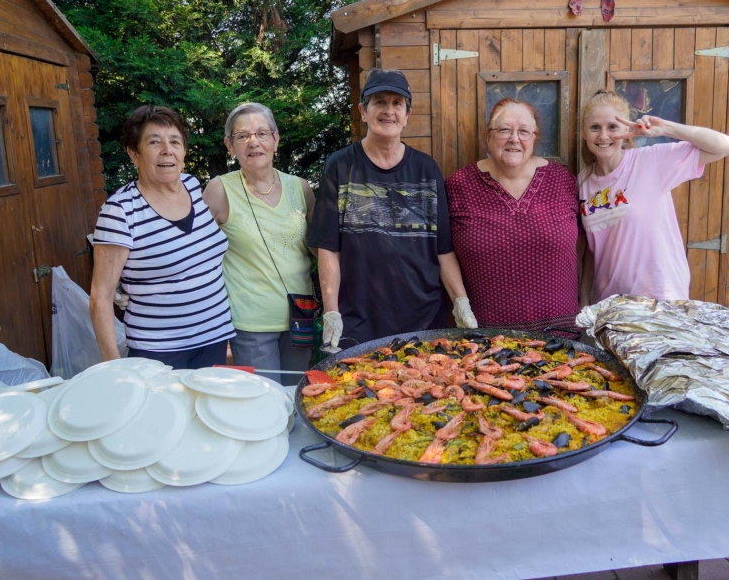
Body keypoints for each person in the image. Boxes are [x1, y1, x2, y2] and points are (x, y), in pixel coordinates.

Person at [308, 68, 477, 350]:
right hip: (359, 323)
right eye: (380, 102)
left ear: (407, 115)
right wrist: (332, 312)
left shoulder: (426, 169)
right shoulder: (340, 166)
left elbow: (443, 250)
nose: (389, 111)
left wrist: (461, 303)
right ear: (363, 111)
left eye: (397, 103)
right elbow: (328, 248)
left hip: (424, 321)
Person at [90, 106, 235, 369]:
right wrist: (113, 368)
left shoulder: (192, 186)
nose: (167, 150)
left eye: (175, 141)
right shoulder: (120, 210)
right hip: (159, 350)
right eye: (154, 142)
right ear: (134, 154)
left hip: (214, 337)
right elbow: (101, 296)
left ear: (183, 151)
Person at [577, 90, 729, 304]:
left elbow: (726, 145)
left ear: (627, 129)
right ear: (584, 132)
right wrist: (584, 297)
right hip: (612, 306)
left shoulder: (650, 161)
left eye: (612, 127)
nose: (603, 136)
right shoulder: (583, 182)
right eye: (595, 127)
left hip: (661, 300)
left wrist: (667, 128)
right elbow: (592, 246)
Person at [203, 103, 316, 385]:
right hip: (250, 323)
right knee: (263, 403)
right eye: (242, 136)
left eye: (262, 133)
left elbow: (319, 248)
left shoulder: (300, 187)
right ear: (230, 146)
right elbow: (197, 251)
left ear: (275, 139)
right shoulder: (219, 189)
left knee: (295, 394)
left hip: (301, 314)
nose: (254, 142)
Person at [445, 98, 581, 331]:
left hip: (561, 335)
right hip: (487, 339)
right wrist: (460, 302)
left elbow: (584, 245)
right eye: (504, 130)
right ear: (488, 136)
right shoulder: (459, 185)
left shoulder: (563, 181)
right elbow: (442, 250)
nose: (514, 139)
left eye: (524, 131)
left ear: (535, 138)